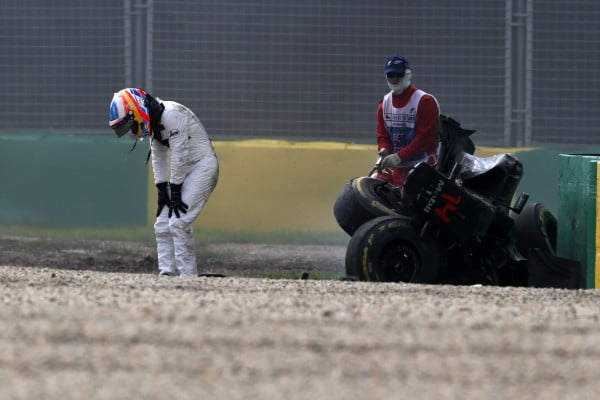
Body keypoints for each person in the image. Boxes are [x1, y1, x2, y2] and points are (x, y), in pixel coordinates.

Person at [108, 88, 219, 277]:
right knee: (162, 223)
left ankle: (188, 278)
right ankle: (166, 274)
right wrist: (162, 189)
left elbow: (180, 154)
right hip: (184, 172)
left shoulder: (172, 115)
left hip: (203, 167)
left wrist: (174, 190)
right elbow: (158, 157)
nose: (132, 131)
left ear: (137, 110)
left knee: (178, 221)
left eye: (130, 123)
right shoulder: (154, 123)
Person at [374, 55, 440, 187]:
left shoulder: (424, 101)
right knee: (374, 179)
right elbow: (383, 135)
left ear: (407, 74)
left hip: (426, 167)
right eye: (390, 75)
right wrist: (385, 150)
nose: (394, 78)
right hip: (399, 169)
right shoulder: (384, 105)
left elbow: (425, 140)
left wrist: (399, 157)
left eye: (398, 74)